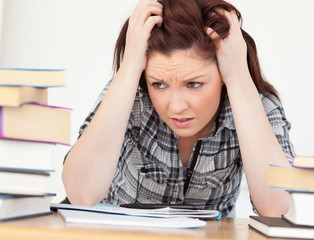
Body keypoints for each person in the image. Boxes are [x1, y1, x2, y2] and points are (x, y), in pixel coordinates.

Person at [62, 0, 295, 217]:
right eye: (159, 84)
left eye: (194, 84)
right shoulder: (131, 97)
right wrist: (130, 65)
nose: (175, 106)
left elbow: (278, 209)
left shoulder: (255, 105)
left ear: (223, 73)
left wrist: (238, 76)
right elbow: (80, 194)